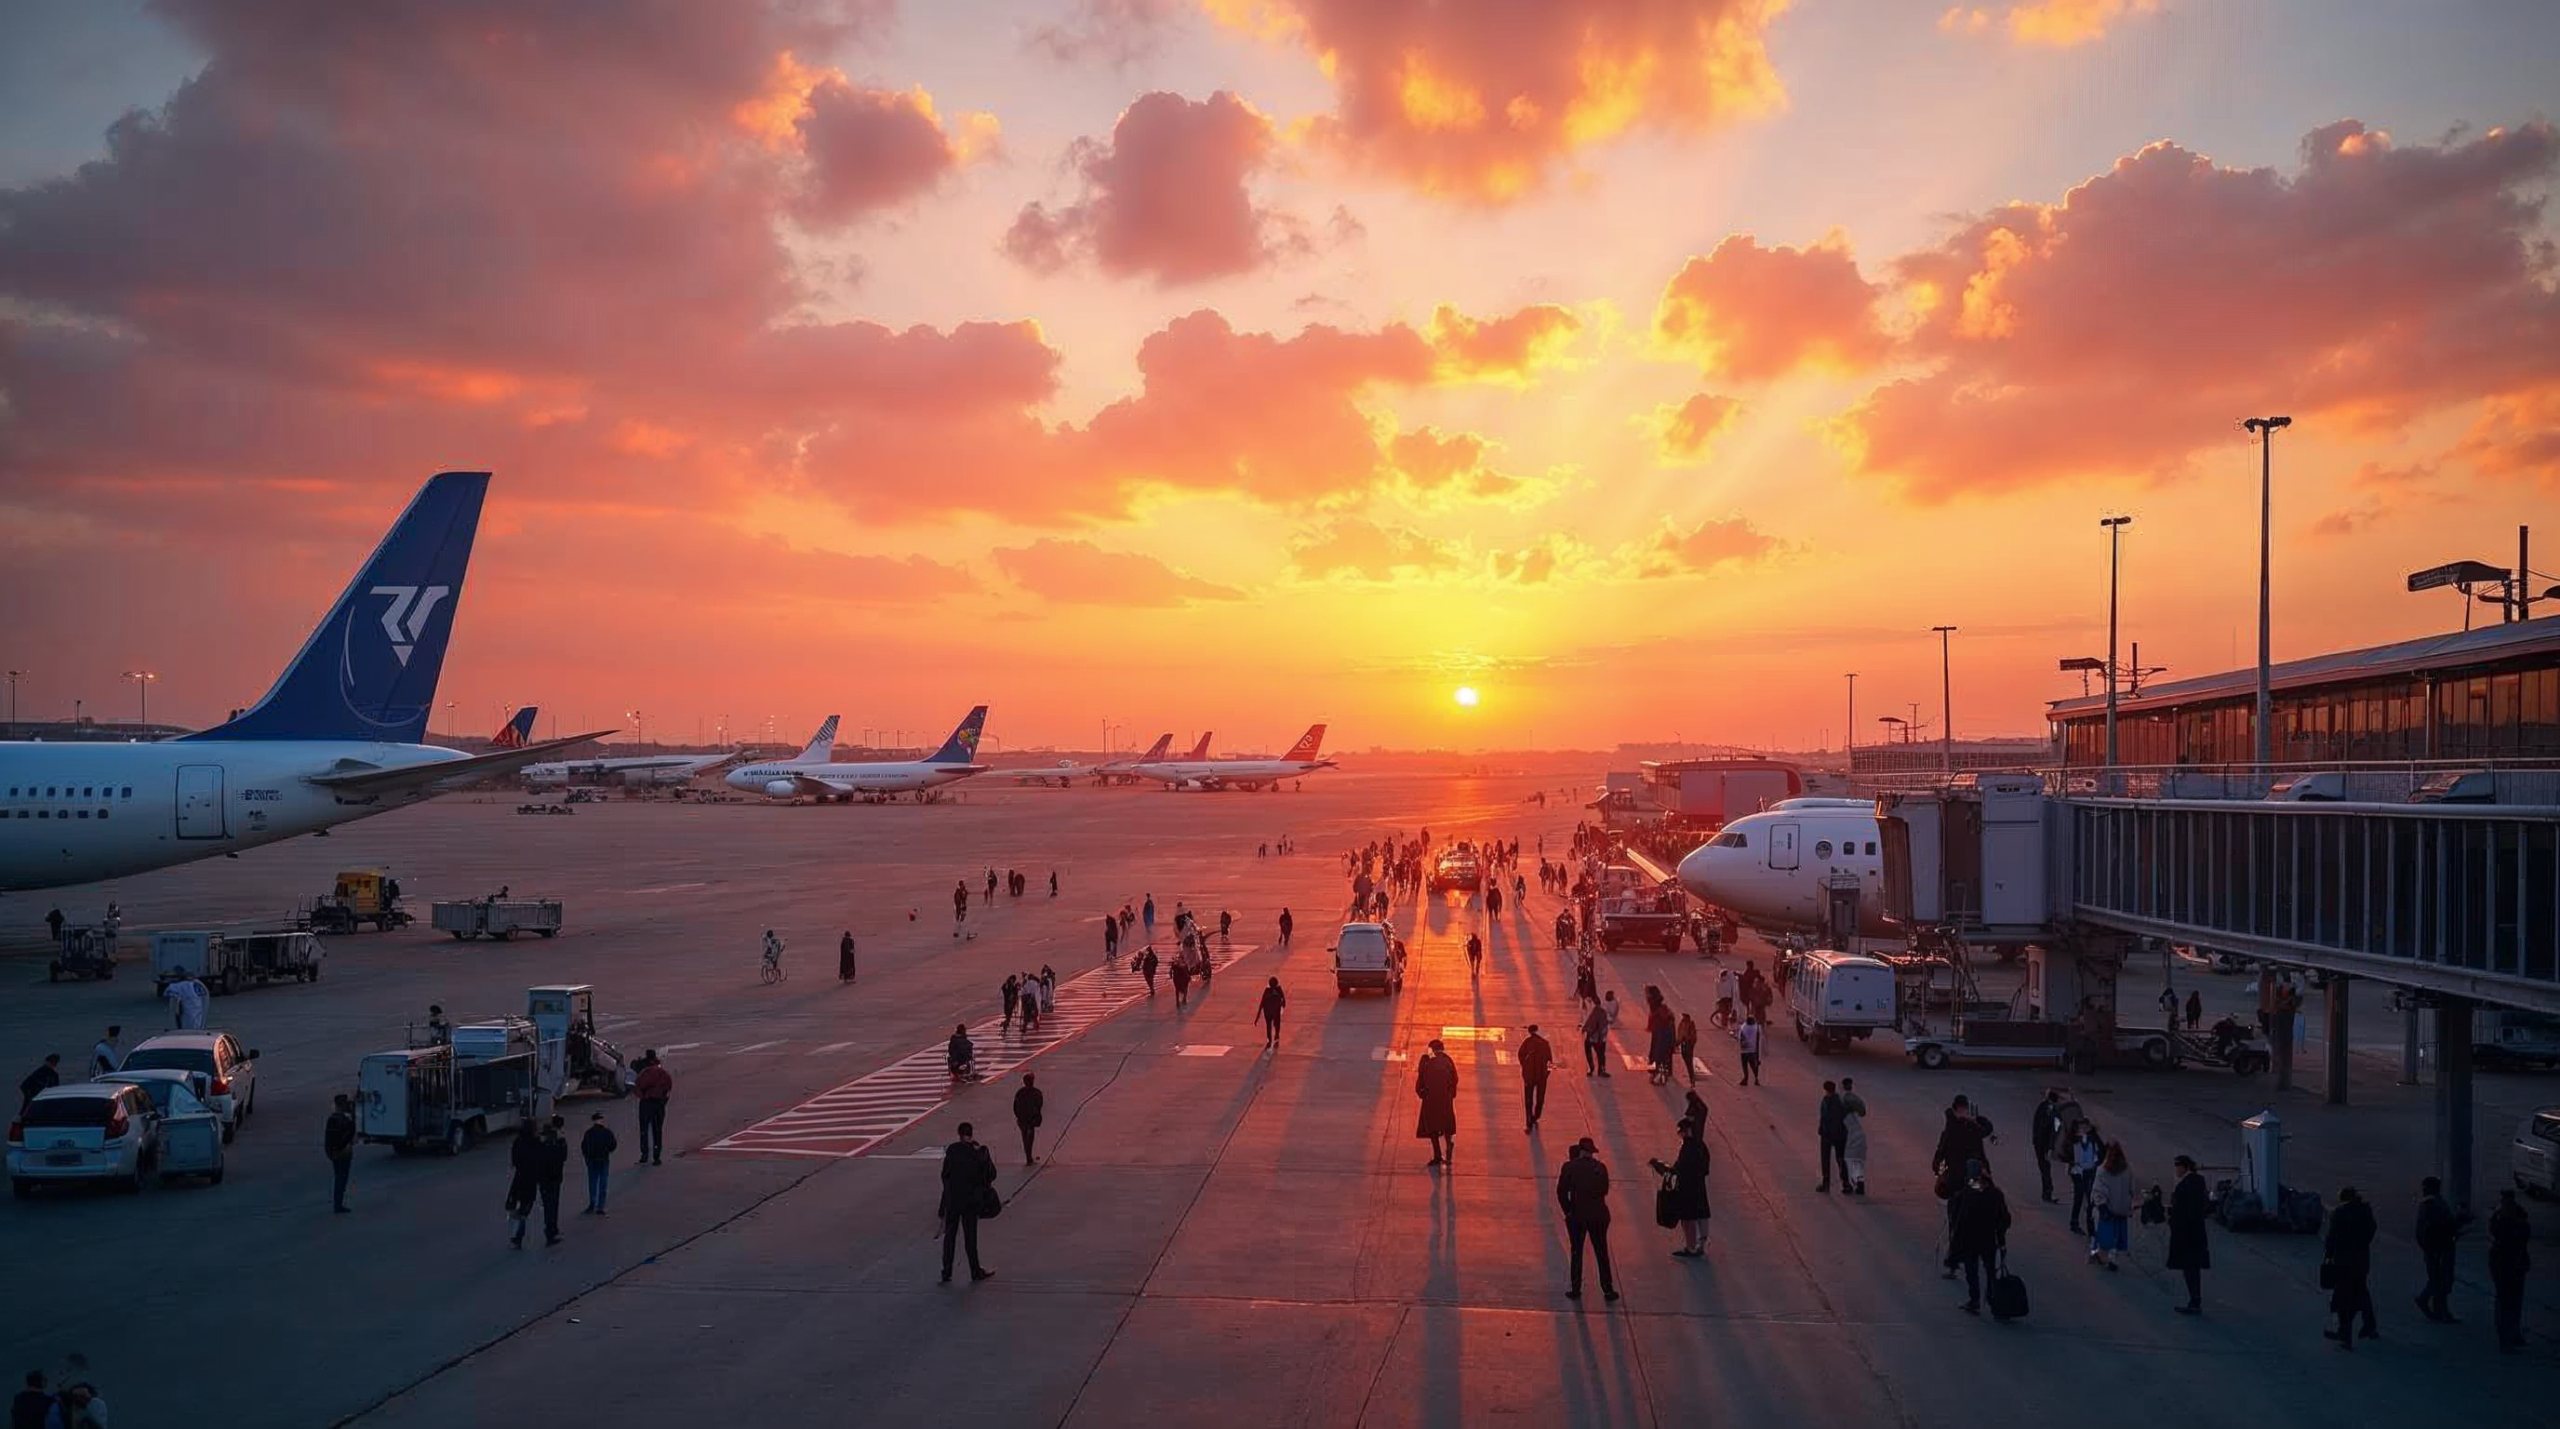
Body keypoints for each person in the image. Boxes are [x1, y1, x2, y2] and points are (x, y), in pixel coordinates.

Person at [1556, 1137, 1619, 1302]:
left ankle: (1575, 1288)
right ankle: (1608, 1288)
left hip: (1577, 1214)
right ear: (1592, 1152)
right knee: (1601, 1251)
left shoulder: (1569, 1167)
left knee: (1577, 1251)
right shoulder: (1601, 1168)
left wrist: (1569, 1210)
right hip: (1599, 1214)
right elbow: (1604, 1190)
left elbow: (1561, 1192)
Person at [937, 1121, 998, 1284]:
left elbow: (945, 1175)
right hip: (970, 1201)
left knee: (950, 1236)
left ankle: (946, 1271)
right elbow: (990, 1175)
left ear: (959, 1134)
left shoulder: (952, 1150)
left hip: (953, 1200)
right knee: (970, 1238)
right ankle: (975, 1270)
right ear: (971, 1134)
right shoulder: (977, 1151)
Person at [1949, 1161, 2012, 1315]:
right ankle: (1994, 1298)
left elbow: (1960, 1219)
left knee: (1972, 1269)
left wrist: (1955, 1244)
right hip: (1989, 1239)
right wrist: (2001, 1238)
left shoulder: (1967, 1194)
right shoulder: (1995, 1193)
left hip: (1971, 1239)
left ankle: (1975, 1299)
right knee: (1991, 1269)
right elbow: (2005, 1219)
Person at [2325, 1185, 2379, 1348]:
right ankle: (2369, 1326)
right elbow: (2372, 1230)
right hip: (2362, 1260)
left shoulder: (2339, 1213)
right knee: (2361, 1291)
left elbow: (2331, 1238)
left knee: (2343, 1297)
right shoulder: (2365, 1211)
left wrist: (2328, 1256)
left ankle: (2345, 1333)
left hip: (2344, 1262)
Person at [1652, 1119, 1711, 1258]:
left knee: (1687, 1218)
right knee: (1702, 1215)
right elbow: (1705, 1168)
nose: (1680, 1134)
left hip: (1687, 1188)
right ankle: (1701, 1246)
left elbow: (1679, 1169)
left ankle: (1690, 1248)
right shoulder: (1701, 1145)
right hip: (1699, 1186)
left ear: (1686, 1131)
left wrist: (1661, 1168)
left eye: (1681, 1131)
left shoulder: (1687, 1148)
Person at [2413, 1174, 2468, 1322]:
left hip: (2434, 1248)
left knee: (2437, 1280)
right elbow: (2445, 1226)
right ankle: (2436, 1307)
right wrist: (2460, 1221)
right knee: (2442, 1280)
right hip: (2441, 1248)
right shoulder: (2435, 1204)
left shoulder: (2428, 1204)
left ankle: (2439, 1310)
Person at [2487, 1189, 2531, 1351]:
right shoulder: (2517, 1218)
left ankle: (2508, 1335)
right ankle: (2509, 1336)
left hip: (2501, 1261)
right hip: (2514, 1262)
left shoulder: (2498, 1216)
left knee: (2505, 1300)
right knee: (2511, 1301)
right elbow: (2525, 1236)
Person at [2167, 1153, 2211, 1314]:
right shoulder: (2199, 1181)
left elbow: (2182, 1210)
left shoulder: (2184, 1185)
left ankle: (2194, 1301)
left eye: (2177, 1167)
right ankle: (2195, 1299)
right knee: (2193, 1267)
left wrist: (2171, 1218)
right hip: (2197, 1232)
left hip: (2186, 1233)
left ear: (2184, 1167)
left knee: (2189, 1267)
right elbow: (2204, 1205)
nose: (2176, 1170)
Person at [1414, 1039, 1460, 1167]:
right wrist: (1451, 1094)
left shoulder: (1427, 1059)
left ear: (1431, 1049)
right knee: (1446, 1125)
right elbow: (1455, 1079)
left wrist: (1421, 1092)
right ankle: (1449, 1146)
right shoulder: (1448, 1060)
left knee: (1432, 1128)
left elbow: (1421, 1079)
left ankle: (1437, 1155)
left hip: (1431, 1098)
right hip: (1445, 1098)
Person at [2087, 1142, 2132, 1269]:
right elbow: (2131, 1189)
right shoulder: (2127, 1170)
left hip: (2107, 1209)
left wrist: (2100, 1205)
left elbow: (2098, 1190)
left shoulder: (2103, 1170)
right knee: (2117, 1235)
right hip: (2121, 1209)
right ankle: (2113, 1260)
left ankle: (2097, 1255)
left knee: (2101, 1233)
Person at [505, 1121, 543, 1248]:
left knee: (516, 1203)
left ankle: (516, 1233)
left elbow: (514, 1160)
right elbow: (539, 1161)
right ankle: (519, 1233)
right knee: (526, 1207)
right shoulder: (536, 1143)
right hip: (531, 1179)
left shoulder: (518, 1141)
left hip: (520, 1177)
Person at [633, 1051, 672, 1165]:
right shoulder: (663, 1073)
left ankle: (644, 1155)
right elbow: (668, 1088)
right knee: (657, 1131)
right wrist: (663, 1101)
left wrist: (643, 1096)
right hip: (659, 1104)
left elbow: (637, 1086)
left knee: (644, 1130)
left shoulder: (644, 1073)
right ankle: (656, 1156)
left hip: (646, 1103)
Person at [534, 1116, 569, 1245]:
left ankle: (551, 1229)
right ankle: (551, 1231)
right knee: (553, 1205)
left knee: (548, 1204)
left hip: (543, 1179)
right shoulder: (559, 1143)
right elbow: (563, 1157)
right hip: (554, 1178)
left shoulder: (539, 1144)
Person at [2067, 1120, 2104, 1236]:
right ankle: (2075, 1223)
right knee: (2080, 1197)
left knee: (2089, 1200)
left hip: (2089, 1172)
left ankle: (2091, 1229)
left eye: (2085, 1127)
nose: (2083, 1129)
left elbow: (2101, 1152)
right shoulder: (2074, 1141)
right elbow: (2069, 1155)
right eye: (2081, 1127)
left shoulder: (2092, 1139)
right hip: (2078, 1173)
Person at [324, 1093, 357, 1213]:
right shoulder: (346, 1121)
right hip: (344, 1153)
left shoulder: (331, 1119)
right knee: (341, 1179)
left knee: (338, 1177)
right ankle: (338, 1204)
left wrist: (330, 1152)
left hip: (334, 1153)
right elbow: (352, 1137)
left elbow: (327, 1138)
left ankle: (337, 1203)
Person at [2030, 1089, 2063, 1203]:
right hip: (2044, 1144)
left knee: (2044, 1167)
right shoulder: (2051, 1110)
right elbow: (2053, 1130)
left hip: (2038, 1143)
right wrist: (2050, 1147)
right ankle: (2047, 1193)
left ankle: (2047, 1193)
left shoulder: (2042, 1106)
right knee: (2045, 1168)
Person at [1519, 1024, 1553, 1131]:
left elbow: (1520, 1055)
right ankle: (1536, 1116)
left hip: (1529, 1075)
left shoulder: (1527, 1043)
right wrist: (1547, 1074)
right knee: (1540, 1098)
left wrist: (1525, 1067)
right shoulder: (1545, 1044)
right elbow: (1550, 1061)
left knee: (1528, 1100)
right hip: (1541, 1076)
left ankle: (1529, 1120)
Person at [1816, 1080, 1849, 1192]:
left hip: (1828, 1135)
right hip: (1840, 1134)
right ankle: (1846, 1183)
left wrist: (1822, 1130)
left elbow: (1825, 1118)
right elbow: (1844, 1114)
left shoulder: (1826, 1100)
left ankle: (1826, 1184)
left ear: (1825, 1089)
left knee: (1825, 1159)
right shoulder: (1840, 1100)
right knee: (1841, 1159)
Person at [1839, 1078, 1869, 1195]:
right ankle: (1860, 1180)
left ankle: (1857, 1181)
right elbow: (1862, 1110)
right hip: (1861, 1140)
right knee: (1858, 1164)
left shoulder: (1843, 1115)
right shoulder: (1853, 1116)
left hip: (1851, 1142)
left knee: (1851, 1163)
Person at [1012, 1072, 1044, 1166]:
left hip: (1022, 1119)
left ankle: (1028, 1156)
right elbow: (1039, 1106)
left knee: (1024, 1137)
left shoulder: (1020, 1092)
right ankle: (1029, 1157)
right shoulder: (1037, 1093)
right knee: (1030, 1138)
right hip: (1031, 1120)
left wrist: (1018, 1116)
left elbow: (1015, 1106)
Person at [1644, 990, 1676, 1085]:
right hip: (1659, 1035)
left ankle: (1658, 1076)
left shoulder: (1661, 1010)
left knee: (1659, 1056)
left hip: (1662, 1036)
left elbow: (1668, 1021)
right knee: (1660, 1056)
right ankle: (1661, 1075)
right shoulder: (1659, 1010)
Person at [1581, 996, 1612, 1078]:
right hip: (1596, 1037)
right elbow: (1589, 1021)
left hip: (1596, 1037)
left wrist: (1584, 1029)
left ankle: (1593, 1069)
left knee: (1595, 1054)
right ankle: (1599, 1070)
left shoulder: (1598, 1011)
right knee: (1600, 1055)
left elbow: (1599, 1025)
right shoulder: (1596, 1011)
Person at [1735, 1014, 1763, 1086]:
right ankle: (1756, 1079)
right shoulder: (1756, 1027)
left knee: (1744, 1065)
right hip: (1753, 1050)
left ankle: (1745, 1078)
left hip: (1744, 1050)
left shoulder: (1743, 1027)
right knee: (1754, 1065)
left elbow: (1739, 1037)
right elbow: (1759, 1039)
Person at [1257, 978, 1286, 1049]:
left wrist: (1257, 1016)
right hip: (1272, 1012)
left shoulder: (1270, 990)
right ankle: (1273, 1037)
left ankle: (1271, 1038)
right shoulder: (1275, 989)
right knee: (1274, 1024)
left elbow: (1262, 1002)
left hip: (1270, 1012)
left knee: (1271, 1025)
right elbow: (1283, 999)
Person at [1675, 1012, 1699, 1086]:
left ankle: (1692, 1079)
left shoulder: (1689, 1024)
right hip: (1685, 1044)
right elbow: (1681, 1035)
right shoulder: (1683, 1023)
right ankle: (1691, 1078)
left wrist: (1679, 1042)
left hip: (1688, 1045)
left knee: (1688, 1062)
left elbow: (1691, 1037)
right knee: (1687, 1060)